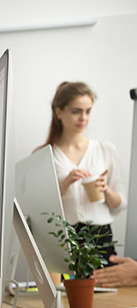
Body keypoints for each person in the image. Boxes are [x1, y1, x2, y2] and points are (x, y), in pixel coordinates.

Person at [41, 81, 126, 266]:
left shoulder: (106, 150)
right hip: (64, 240)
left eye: (88, 111)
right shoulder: (45, 156)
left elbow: (120, 205)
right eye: (76, 111)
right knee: (67, 294)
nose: (84, 118)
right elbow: (39, 210)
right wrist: (65, 183)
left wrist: (106, 190)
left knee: (109, 294)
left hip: (102, 239)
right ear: (58, 112)